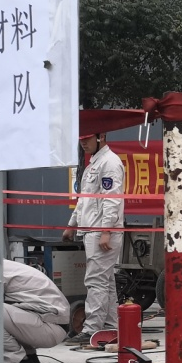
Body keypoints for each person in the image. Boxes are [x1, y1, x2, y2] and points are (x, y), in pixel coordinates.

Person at [62, 131, 124, 342]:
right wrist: (71, 225)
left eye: (87, 138)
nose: (83, 143)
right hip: (93, 230)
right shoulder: (94, 164)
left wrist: (106, 230)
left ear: (101, 137)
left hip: (101, 232)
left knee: (96, 280)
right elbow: (84, 200)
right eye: (81, 139)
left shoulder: (109, 163)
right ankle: (112, 327)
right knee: (106, 281)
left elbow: (112, 199)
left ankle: (92, 329)